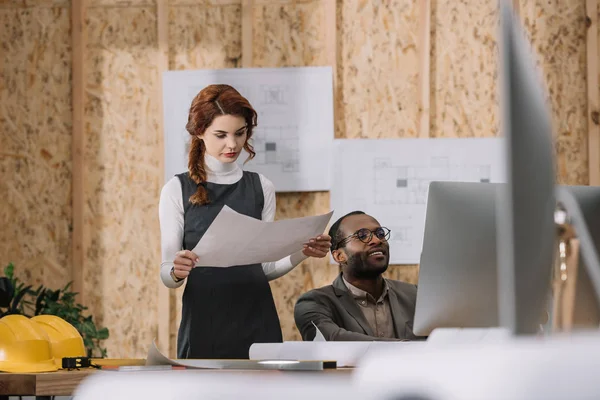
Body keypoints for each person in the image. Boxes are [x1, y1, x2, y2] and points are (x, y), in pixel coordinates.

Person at [159, 84, 331, 359]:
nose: (233, 144)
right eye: (221, 135)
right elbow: (168, 275)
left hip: (257, 318)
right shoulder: (176, 189)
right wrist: (177, 270)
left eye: (240, 133)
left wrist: (301, 252)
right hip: (205, 321)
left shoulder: (261, 187)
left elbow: (263, 268)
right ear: (199, 132)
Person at [294, 211, 423, 341]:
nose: (377, 240)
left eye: (380, 234)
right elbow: (332, 340)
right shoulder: (314, 303)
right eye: (362, 235)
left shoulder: (415, 295)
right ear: (339, 256)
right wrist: (410, 347)